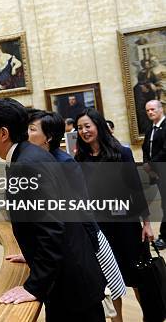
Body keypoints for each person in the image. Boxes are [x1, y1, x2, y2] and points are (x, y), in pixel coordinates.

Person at [0, 98, 106, 321]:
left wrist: (33, 287)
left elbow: (52, 227)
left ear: (3, 133)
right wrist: (31, 253)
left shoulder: (27, 164)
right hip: (71, 276)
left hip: (71, 285)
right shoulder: (28, 155)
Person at [24, 110, 127, 321]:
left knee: (108, 288)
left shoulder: (63, 163)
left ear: (49, 137)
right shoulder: (45, 160)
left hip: (87, 239)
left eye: (32, 129)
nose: (26, 134)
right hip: (74, 244)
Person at [75, 108, 156, 321]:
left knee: (138, 275)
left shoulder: (122, 152)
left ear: (98, 126)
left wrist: (146, 223)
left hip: (127, 224)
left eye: (87, 126)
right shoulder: (80, 157)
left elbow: (135, 189)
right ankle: (116, 320)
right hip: (100, 227)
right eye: (80, 128)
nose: (83, 131)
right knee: (109, 280)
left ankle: (149, 315)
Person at [142, 100, 166, 250]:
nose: (150, 112)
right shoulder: (150, 129)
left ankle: (164, 236)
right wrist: (147, 165)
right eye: (147, 110)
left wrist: (150, 164)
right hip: (156, 174)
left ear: (160, 109)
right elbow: (145, 148)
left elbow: (165, 151)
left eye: (152, 109)